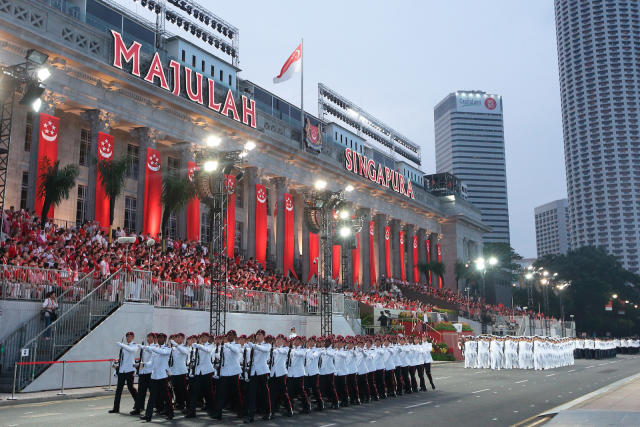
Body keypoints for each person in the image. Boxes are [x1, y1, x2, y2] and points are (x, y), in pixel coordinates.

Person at [143, 333, 173, 422]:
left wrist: (149, 348)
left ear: (164, 339)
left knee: (166, 396)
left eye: (161, 338)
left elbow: (162, 352)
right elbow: (151, 363)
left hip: (163, 376)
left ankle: (170, 413)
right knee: (152, 397)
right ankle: (148, 415)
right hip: (154, 376)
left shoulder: (167, 349)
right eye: (158, 338)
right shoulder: (155, 349)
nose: (159, 339)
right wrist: (142, 364)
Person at [213, 330, 243, 420]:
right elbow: (219, 356)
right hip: (224, 372)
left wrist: (228, 345)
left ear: (234, 336)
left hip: (234, 373)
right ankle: (218, 414)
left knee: (236, 394)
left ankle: (240, 412)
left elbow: (236, 351)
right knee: (220, 394)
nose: (229, 336)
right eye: (228, 335)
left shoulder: (236, 345)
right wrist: (216, 354)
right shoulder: (224, 346)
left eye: (231, 335)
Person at [244, 329, 272, 423]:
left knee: (264, 393)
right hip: (253, 372)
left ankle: (267, 412)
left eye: (260, 334)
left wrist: (254, 345)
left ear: (263, 336)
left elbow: (264, 350)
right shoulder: (252, 346)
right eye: (257, 334)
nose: (258, 336)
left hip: (263, 372)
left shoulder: (267, 345)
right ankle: (250, 415)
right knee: (251, 394)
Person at [109, 332, 138, 414]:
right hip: (122, 370)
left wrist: (122, 345)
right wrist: (117, 367)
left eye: (130, 336)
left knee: (130, 388)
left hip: (130, 370)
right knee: (118, 390)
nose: (128, 338)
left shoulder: (134, 345)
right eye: (127, 336)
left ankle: (138, 404)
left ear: (133, 337)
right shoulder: (124, 347)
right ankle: (116, 408)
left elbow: (132, 350)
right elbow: (122, 358)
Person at [131, 332, 156, 416]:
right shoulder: (145, 347)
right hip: (143, 372)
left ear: (153, 338)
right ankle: (138, 408)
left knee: (153, 392)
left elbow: (150, 350)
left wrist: (143, 347)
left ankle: (157, 407)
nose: (148, 339)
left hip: (150, 372)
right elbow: (143, 359)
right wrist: (137, 365)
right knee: (141, 391)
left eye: (150, 337)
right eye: (148, 337)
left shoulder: (154, 347)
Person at [169, 333, 190, 411]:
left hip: (181, 372)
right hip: (174, 372)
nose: (178, 339)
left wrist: (176, 345)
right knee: (176, 389)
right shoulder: (173, 348)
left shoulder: (184, 347)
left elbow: (185, 352)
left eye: (180, 337)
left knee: (183, 390)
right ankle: (180, 404)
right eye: (177, 337)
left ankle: (188, 405)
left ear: (183, 339)